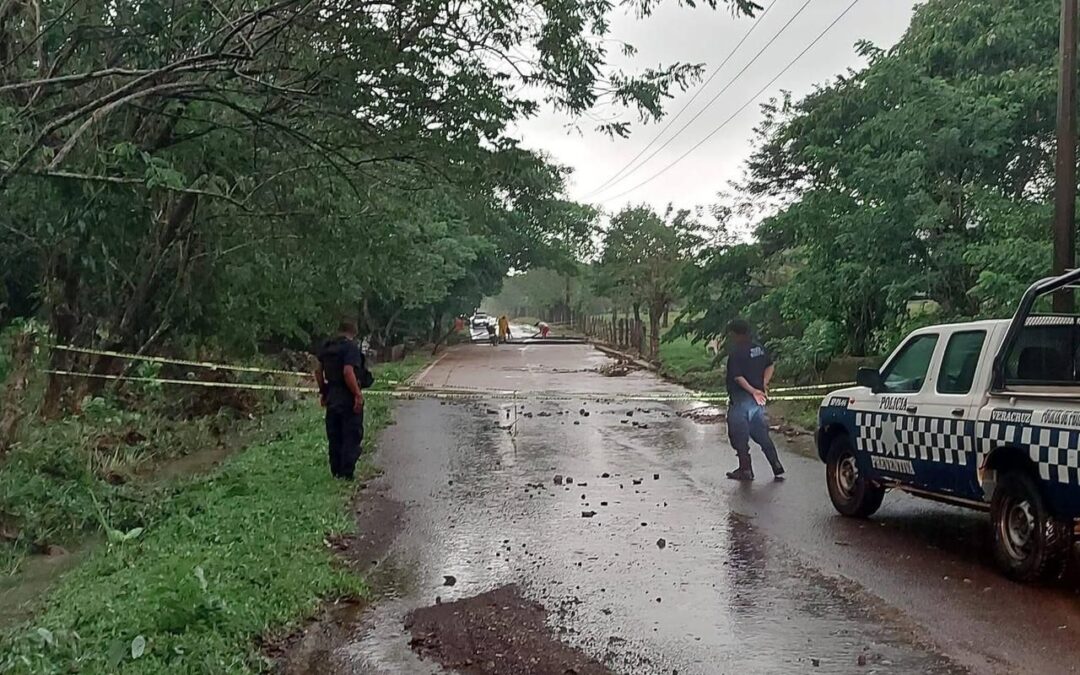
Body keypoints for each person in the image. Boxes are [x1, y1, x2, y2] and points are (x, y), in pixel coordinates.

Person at [724, 319, 784, 481]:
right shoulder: (759, 349)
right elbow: (770, 366)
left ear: (735, 334)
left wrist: (753, 391)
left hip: (741, 400)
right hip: (758, 402)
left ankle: (745, 470)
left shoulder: (736, 353)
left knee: (738, 435)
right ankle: (776, 464)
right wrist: (763, 384)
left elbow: (738, 377)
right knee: (761, 433)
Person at [315, 320, 366, 480]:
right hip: (347, 396)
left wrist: (324, 391)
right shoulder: (350, 348)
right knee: (351, 434)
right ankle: (347, 474)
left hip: (332, 395)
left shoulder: (327, 347)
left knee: (335, 435)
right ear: (354, 331)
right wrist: (357, 394)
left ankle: (336, 471)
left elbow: (318, 371)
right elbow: (348, 372)